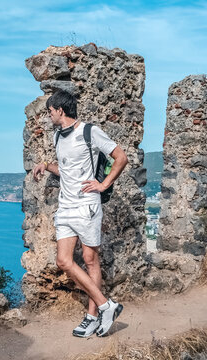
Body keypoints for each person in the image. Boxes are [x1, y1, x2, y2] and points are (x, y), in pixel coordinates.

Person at [32, 90, 129, 337]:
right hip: (65, 206)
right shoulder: (57, 136)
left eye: (50, 111)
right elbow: (67, 170)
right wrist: (46, 166)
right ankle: (108, 306)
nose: (49, 115)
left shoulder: (89, 131)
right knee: (64, 261)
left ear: (60, 110)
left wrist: (103, 184)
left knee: (89, 260)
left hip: (86, 205)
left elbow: (121, 157)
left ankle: (92, 316)